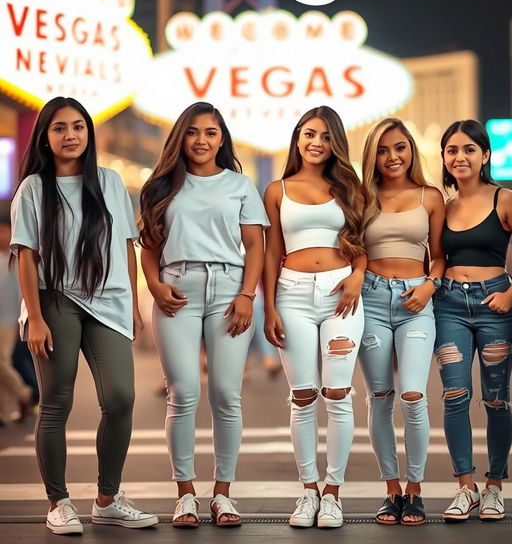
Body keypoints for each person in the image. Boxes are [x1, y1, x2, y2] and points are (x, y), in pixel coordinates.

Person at [10, 96, 158, 535]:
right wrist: (34, 317)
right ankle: (58, 502)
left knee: (120, 398)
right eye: (59, 128)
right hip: (54, 300)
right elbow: (25, 256)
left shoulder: (110, 181)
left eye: (78, 126)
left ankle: (108, 499)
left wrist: (132, 305)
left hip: (108, 300)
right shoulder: (34, 188)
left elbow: (127, 248)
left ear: (88, 133)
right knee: (56, 402)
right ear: (46, 136)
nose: (70, 135)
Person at [139, 102, 268, 528]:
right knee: (183, 394)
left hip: (230, 292)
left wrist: (248, 295)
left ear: (222, 139)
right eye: (193, 132)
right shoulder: (161, 186)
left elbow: (254, 246)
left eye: (211, 133)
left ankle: (223, 495)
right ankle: (186, 495)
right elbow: (151, 247)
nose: (201, 140)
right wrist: (156, 288)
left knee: (226, 396)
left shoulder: (240, 186)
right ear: (181, 137)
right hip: (177, 289)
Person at [263, 106, 366, 529]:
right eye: (308, 134)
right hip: (291, 296)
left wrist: (358, 275)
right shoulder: (276, 189)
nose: (316, 142)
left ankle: (333, 494)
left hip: (342, 294)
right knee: (303, 396)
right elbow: (270, 251)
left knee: (338, 393)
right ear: (297, 138)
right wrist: (267, 305)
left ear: (335, 142)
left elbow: (362, 238)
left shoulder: (350, 186)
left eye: (324, 136)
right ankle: (308, 491)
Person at [435, 120, 512, 522]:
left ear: (485, 155)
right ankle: (465, 488)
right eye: (453, 149)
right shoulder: (442, 206)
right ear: (443, 157)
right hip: (449, 306)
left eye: (469, 149)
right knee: (455, 397)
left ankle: (494, 487)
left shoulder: (505, 199)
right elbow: (437, 256)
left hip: (496, 307)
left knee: (495, 399)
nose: (460, 156)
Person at [358, 118, 445, 526]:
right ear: (372, 155)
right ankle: (391, 490)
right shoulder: (361, 196)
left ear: (411, 151)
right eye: (383, 149)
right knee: (380, 397)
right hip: (371, 299)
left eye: (400, 148)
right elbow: (352, 249)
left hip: (417, 299)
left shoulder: (431, 196)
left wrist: (431, 284)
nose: (392, 157)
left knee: (413, 395)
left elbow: (441, 254)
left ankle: (415, 490)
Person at [0, 218, 36, 425]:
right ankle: (4, 412)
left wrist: (19, 321)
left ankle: (24, 393)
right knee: (4, 364)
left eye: (4, 231)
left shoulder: (15, 259)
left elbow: (22, 292)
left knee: (2, 363)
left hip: (8, 320)